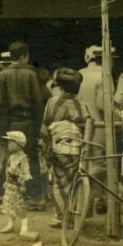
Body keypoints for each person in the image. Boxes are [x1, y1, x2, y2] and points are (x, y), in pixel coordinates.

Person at [0, 41, 46, 209]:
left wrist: (0, 126)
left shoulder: (2, 75)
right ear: (24, 56)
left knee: (11, 161)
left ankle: (11, 199)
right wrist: (39, 126)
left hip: (10, 123)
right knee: (32, 159)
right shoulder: (31, 74)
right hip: (29, 122)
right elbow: (38, 102)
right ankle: (36, 197)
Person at [40, 67, 86, 229]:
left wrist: (45, 148)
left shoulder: (52, 102)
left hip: (57, 146)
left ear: (60, 86)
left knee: (59, 182)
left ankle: (61, 216)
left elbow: (46, 126)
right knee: (74, 181)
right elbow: (85, 126)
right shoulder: (80, 104)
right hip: (76, 147)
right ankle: (73, 214)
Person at [78, 45, 106, 212]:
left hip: (81, 124)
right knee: (100, 162)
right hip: (98, 124)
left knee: (84, 163)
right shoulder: (103, 75)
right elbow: (102, 104)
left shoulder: (79, 74)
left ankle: (84, 204)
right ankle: (98, 200)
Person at [0, 131, 38, 241]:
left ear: (18, 144)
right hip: (10, 185)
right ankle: (10, 224)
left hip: (17, 185)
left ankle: (24, 226)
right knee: (9, 204)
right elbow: (8, 170)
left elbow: (24, 172)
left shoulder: (23, 158)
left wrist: (22, 184)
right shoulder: (12, 157)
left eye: (11, 142)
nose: (8, 145)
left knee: (19, 206)